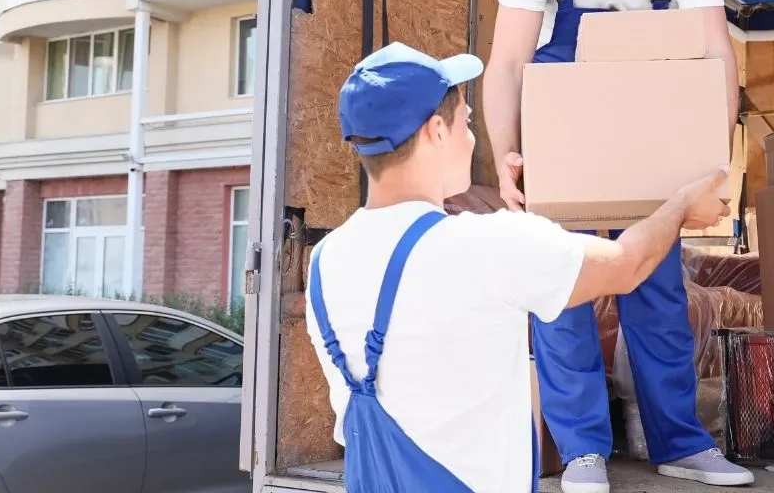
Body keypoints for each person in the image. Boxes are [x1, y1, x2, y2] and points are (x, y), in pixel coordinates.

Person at [304, 41, 732, 492]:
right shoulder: (487, 243)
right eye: (466, 123)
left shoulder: (325, 261)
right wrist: (681, 204)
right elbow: (628, 264)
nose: (471, 139)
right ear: (435, 131)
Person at [481, 0, 751, 491]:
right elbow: (509, 59)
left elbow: (715, 52)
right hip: (562, 122)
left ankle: (679, 445)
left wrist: (712, 163)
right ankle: (581, 453)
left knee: (656, 290)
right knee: (566, 288)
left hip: (648, 120)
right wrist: (505, 154)